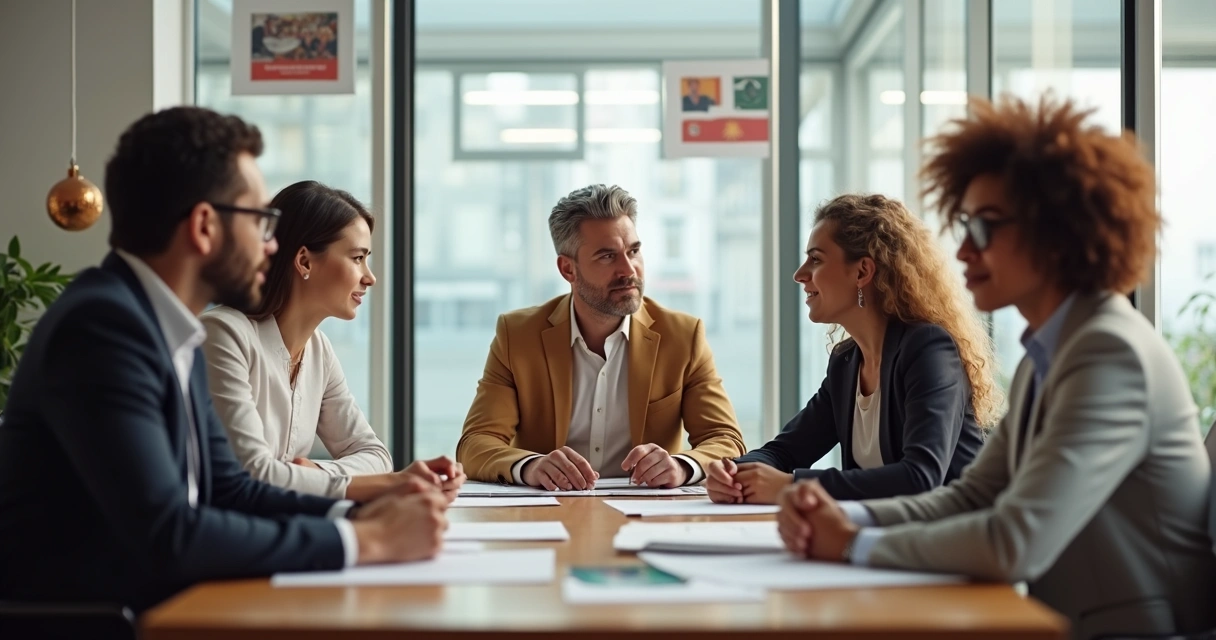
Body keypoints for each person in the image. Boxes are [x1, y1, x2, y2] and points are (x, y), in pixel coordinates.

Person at [776, 95, 1216, 639]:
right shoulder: (1049, 355)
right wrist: (850, 518)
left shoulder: (1109, 352)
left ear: (1055, 234)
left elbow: (1016, 539)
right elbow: (972, 496)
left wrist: (850, 543)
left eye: (984, 228)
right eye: (965, 225)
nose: (962, 252)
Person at [0, 107, 447, 613]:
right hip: (97, 623)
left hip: (166, 605)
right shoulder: (103, 328)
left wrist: (360, 513)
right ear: (205, 226)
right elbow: (168, 533)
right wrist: (369, 542)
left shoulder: (165, 326)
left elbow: (231, 489)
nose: (272, 244)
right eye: (260, 220)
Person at [706, 194, 995, 504]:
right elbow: (784, 451)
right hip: (882, 540)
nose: (799, 274)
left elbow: (920, 477)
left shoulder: (928, 350)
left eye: (815, 259)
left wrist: (793, 486)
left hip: (950, 545)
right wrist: (732, 474)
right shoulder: (846, 362)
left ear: (862, 272)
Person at [456, 184, 746, 489]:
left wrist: (681, 466)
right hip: (548, 511)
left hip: (646, 514)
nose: (628, 269)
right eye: (607, 256)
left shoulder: (683, 337)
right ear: (568, 269)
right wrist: (531, 466)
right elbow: (475, 445)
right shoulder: (517, 336)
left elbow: (726, 440)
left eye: (633, 251)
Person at [202, 181, 465, 503]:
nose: (370, 277)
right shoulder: (223, 336)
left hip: (289, 529)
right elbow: (253, 473)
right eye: (357, 258)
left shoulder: (318, 349)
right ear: (304, 261)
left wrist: (318, 474)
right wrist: (393, 484)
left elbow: (375, 455)